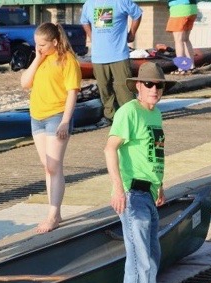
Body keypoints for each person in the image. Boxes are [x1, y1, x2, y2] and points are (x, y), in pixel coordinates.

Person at [105, 62, 175, 283]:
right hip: (132, 194)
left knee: (152, 258)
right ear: (138, 86)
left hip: (149, 192)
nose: (154, 89)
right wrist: (117, 188)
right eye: (149, 84)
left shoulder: (155, 114)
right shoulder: (129, 111)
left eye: (159, 85)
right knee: (140, 261)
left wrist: (160, 184)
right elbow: (110, 148)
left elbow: (154, 153)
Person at [20, 23, 82, 234]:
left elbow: (72, 92)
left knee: (54, 166)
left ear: (54, 42)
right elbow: (24, 83)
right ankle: (54, 209)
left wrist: (66, 120)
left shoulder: (68, 61)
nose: (39, 47)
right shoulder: (42, 59)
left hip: (57, 116)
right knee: (47, 165)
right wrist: (37, 58)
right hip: (37, 116)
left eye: (42, 44)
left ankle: (53, 214)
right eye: (36, 44)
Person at [80, 0, 142, 123]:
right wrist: (91, 35)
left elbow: (137, 14)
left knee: (123, 87)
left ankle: (130, 117)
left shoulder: (121, 1)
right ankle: (110, 116)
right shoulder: (89, 4)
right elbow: (84, 21)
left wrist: (132, 33)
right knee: (104, 88)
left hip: (119, 54)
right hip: (98, 56)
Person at [166, 0, 198, 72]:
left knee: (178, 40)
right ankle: (191, 66)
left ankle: (181, 68)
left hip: (179, 9)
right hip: (192, 8)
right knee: (185, 39)